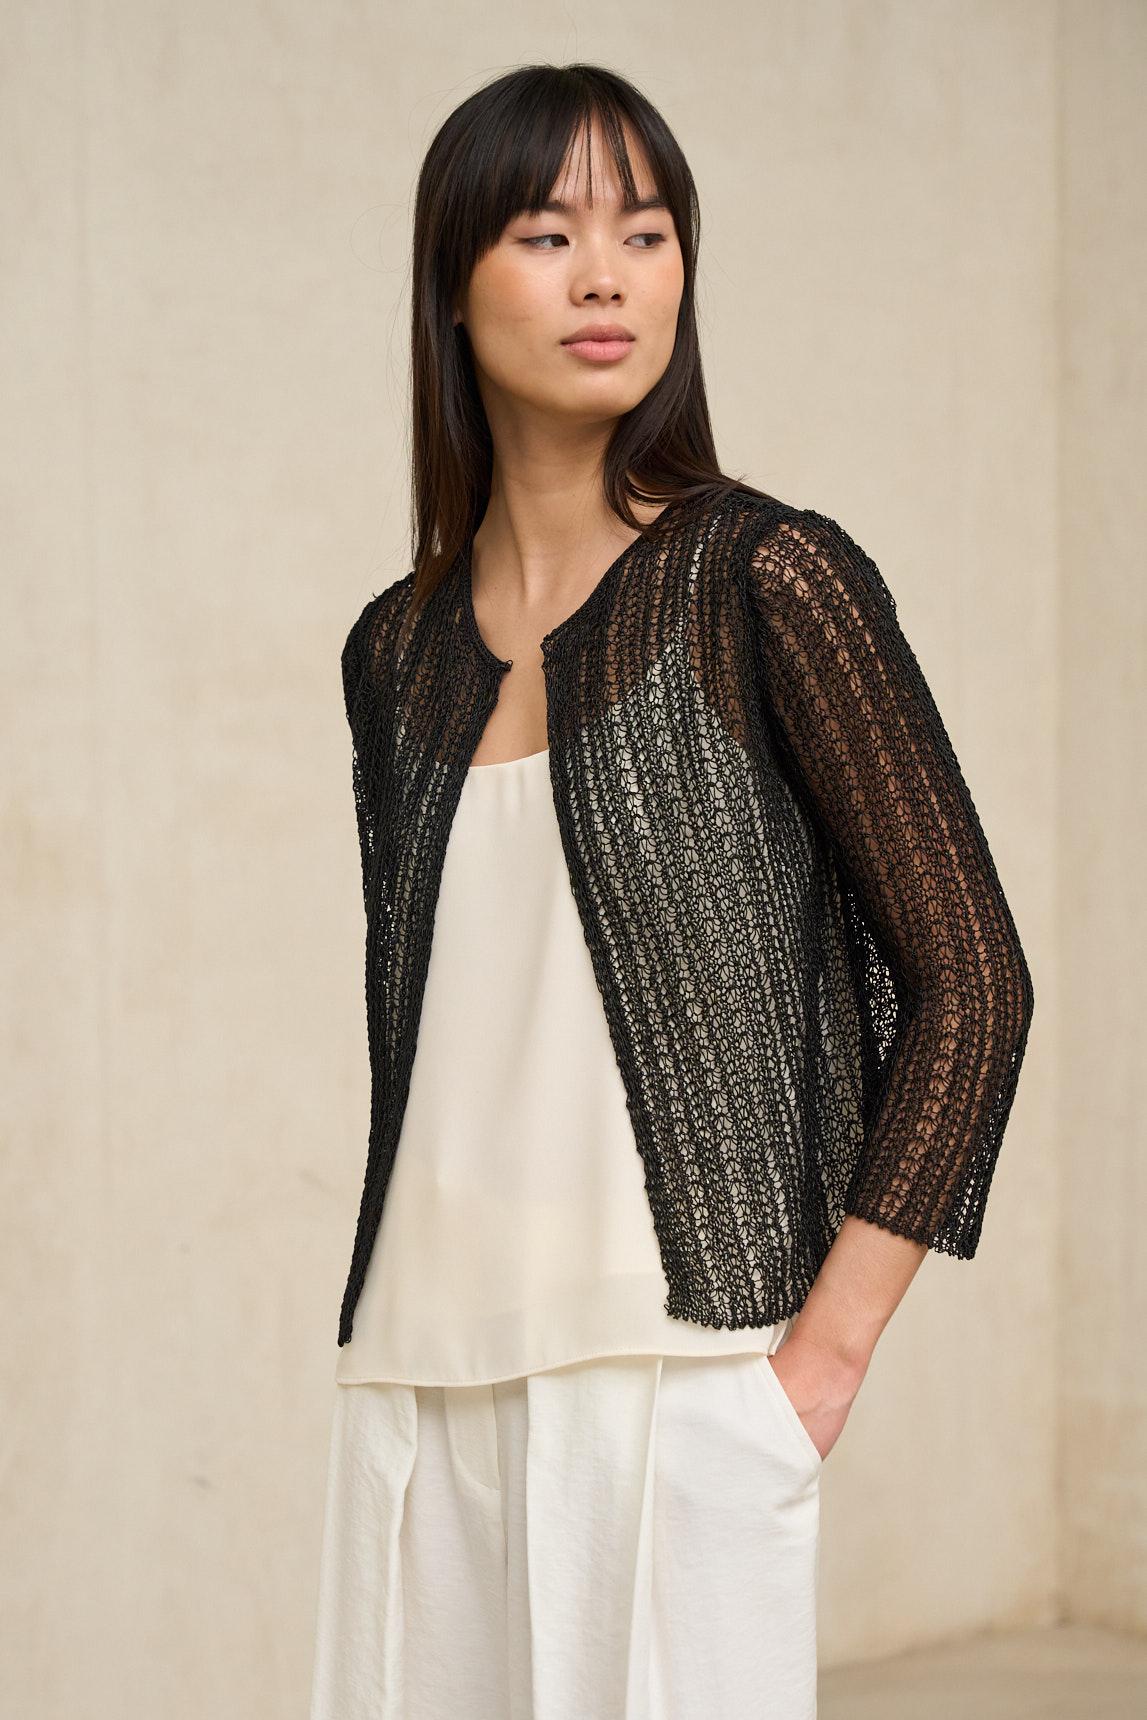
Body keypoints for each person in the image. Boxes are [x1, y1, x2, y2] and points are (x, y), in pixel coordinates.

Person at [308, 62, 1035, 1720]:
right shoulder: (394, 655)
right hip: (415, 1373)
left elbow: (974, 982)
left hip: (678, 1370)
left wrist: (815, 1368)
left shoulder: (764, 577)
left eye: (645, 232)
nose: (607, 277)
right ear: (451, 284)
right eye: (548, 233)